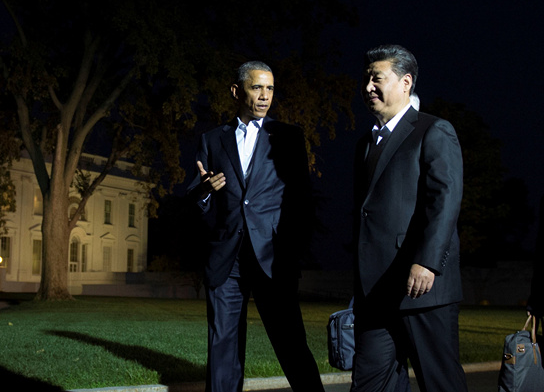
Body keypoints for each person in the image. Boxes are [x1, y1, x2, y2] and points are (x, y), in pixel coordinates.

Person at [188, 61, 324, 392]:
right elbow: (196, 199)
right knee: (223, 349)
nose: (265, 96)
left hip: (272, 260)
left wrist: (291, 252)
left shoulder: (289, 137)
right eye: (256, 87)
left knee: (291, 345)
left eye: (270, 88)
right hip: (227, 261)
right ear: (237, 91)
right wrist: (204, 191)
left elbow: (303, 200)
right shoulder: (212, 139)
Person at [351, 44, 468, 392]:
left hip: (422, 289)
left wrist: (427, 263)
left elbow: (445, 200)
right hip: (375, 292)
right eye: (366, 79)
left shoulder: (434, 131)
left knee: (440, 383)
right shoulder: (365, 144)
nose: (368, 86)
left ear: (405, 82)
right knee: (370, 384)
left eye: (377, 79)